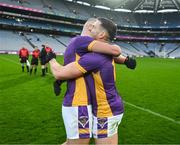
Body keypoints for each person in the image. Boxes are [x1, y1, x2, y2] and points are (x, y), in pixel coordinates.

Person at [47, 17, 136, 145]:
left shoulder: (92, 55)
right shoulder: (91, 49)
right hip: (103, 106)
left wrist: (52, 59)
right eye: (92, 26)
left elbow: (60, 73)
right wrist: (126, 60)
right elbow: (112, 53)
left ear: (101, 34)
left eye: (95, 26)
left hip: (104, 110)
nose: (92, 28)